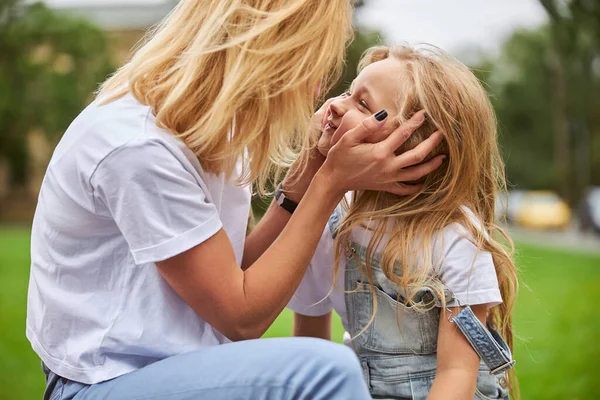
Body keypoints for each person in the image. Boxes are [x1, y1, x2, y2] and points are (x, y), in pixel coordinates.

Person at [26, 1, 445, 399]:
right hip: (102, 382)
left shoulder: (210, 128)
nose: (321, 86)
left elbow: (237, 274)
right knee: (326, 371)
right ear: (274, 50)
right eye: (313, 59)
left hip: (166, 367)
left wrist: (314, 166)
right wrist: (331, 183)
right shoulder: (140, 146)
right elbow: (242, 317)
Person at [289, 45, 519, 400]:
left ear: (416, 145)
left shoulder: (455, 240)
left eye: (363, 104)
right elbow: (310, 344)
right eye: (349, 92)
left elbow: (457, 372)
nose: (336, 103)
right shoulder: (331, 221)